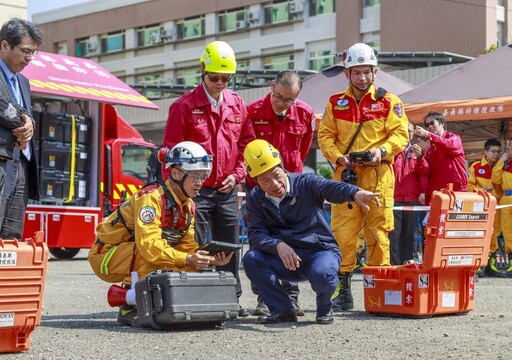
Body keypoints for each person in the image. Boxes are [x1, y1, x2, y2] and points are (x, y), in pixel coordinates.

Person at [88, 141, 233, 326]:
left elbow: (186, 246)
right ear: (175, 173)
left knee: (190, 264)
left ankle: (163, 302)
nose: (200, 183)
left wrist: (204, 260)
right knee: (149, 253)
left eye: (203, 176)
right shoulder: (151, 198)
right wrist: (186, 258)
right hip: (105, 256)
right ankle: (129, 306)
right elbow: (149, 246)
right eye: (195, 176)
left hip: (131, 253)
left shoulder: (188, 206)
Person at [162, 40, 255, 317]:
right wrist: (180, 192)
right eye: (214, 77)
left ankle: (231, 299)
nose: (220, 83)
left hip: (226, 189)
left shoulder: (238, 105)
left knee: (229, 245)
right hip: (196, 192)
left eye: (226, 78)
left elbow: (247, 146)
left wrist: (237, 175)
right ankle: (197, 296)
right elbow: (171, 151)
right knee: (196, 243)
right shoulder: (184, 106)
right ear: (202, 70)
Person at [242, 139, 379, 324]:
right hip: (286, 259)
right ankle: (282, 310)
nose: (274, 183)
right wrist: (277, 245)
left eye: (276, 174)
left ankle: (324, 308)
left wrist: (355, 193)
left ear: (283, 167)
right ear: (256, 181)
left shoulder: (305, 183)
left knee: (322, 273)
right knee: (251, 259)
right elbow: (256, 233)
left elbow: (330, 187)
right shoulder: (256, 198)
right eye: (265, 180)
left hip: (319, 252)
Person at [317, 42, 409, 311]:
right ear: (347, 73)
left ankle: (379, 289)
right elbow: (325, 136)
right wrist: (338, 157)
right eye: (356, 72)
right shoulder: (335, 103)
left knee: (378, 232)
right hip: (345, 176)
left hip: (378, 176)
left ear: (375, 71)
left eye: (367, 71)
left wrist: (382, 151)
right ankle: (342, 290)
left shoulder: (389, 102)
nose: (362, 77)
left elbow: (401, 134)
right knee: (342, 234)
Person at [245, 70, 315, 317]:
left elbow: (303, 148)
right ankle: (265, 298)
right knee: (262, 241)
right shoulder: (252, 112)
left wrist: (291, 176)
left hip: (290, 188)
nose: (282, 104)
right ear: (271, 86)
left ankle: (292, 297)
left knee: (293, 239)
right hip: (260, 190)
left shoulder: (305, 113)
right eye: (279, 97)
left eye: (289, 100)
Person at [0, 18, 42, 238]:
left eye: (33, 52)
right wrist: (24, 123)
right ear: (5, 45)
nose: (29, 58)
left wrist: (30, 125)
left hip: (21, 164)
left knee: (12, 236)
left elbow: (28, 116)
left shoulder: (23, 81)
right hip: (2, 159)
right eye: (25, 51)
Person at [389, 119, 429, 265]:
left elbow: (424, 172)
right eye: (405, 129)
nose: (408, 132)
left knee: (409, 233)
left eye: (410, 130)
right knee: (394, 233)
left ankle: (407, 261)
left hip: (412, 199)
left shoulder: (417, 150)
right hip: (395, 198)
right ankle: (395, 264)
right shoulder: (393, 150)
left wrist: (420, 158)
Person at [413, 111, 467, 204]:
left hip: (456, 192)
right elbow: (426, 173)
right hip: (438, 195)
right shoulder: (430, 148)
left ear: (442, 124)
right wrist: (420, 157)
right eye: (427, 125)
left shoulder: (454, 138)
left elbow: (449, 146)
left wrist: (428, 135)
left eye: (432, 123)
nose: (429, 126)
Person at [468, 139, 502, 277]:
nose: (496, 154)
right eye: (493, 151)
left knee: (494, 234)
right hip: (480, 207)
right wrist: (481, 190)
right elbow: (468, 187)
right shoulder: (475, 167)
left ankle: (491, 264)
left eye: (498, 152)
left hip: (498, 206)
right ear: (485, 151)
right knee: (480, 234)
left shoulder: (502, 167)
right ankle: (479, 264)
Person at [491, 140, 512, 278]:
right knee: (507, 231)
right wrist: (501, 162)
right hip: (506, 198)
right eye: (509, 147)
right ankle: (510, 260)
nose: (509, 149)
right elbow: (495, 180)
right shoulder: (505, 165)